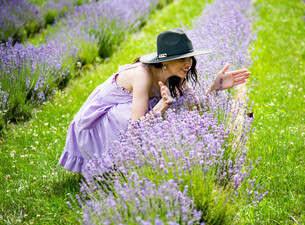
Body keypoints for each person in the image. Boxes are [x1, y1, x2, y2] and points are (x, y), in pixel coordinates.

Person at [58, 28, 250, 173]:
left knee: (177, 112)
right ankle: (114, 166)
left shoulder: (176, 77)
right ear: (164, 61)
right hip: (95, 125)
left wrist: (215, 88)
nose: (188, 63)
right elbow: (135, 128)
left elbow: (196, 110)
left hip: (122, 121)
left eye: (190, 57)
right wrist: (159, 108)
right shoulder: (143, 75)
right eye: (182, 58)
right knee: (141, 116)